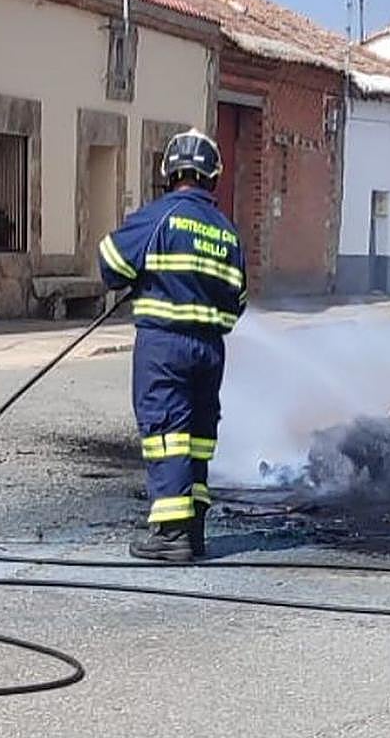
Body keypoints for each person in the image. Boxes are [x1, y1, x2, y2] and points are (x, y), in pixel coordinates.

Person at [97, 128, 246, 561]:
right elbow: (238, 299)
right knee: (197, 437)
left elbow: (110, 261)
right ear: (212, 176)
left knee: (166, 433)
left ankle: (170, 534)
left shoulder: (160, 216)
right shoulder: (227, 233)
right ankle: (193, 529)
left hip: (164, 346)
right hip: (210, 350)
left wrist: (143, 276)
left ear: (170, 172)